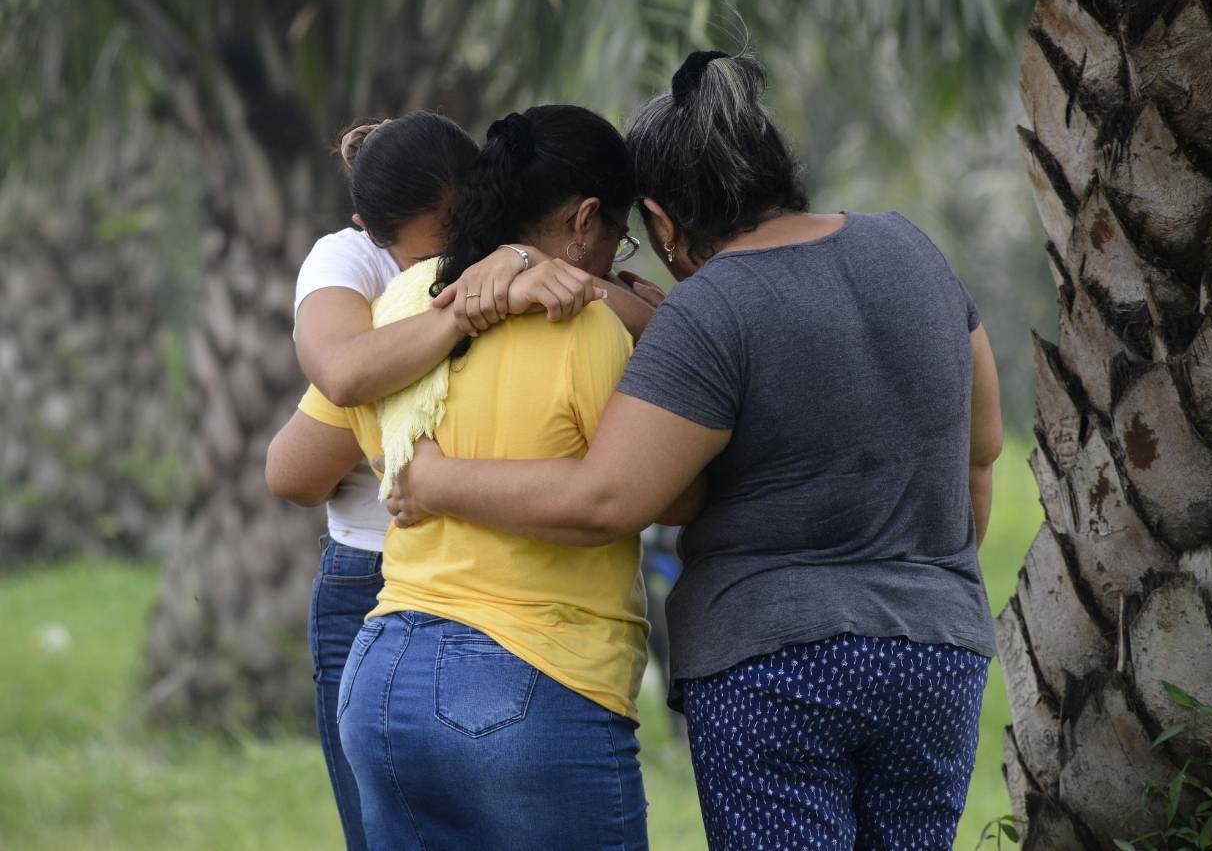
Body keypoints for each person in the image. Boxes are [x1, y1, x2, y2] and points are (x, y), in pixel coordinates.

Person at [387, 50, 1005, 851]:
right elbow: (981, 449)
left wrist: (434, 480)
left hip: (773, 664)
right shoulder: (913, 252)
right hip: (938, 653)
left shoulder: (712, 310)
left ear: (666, 221)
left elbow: (607, 500)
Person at [264, 111, 656, 850]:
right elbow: (643, 492)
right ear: (585, 219)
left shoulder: (395, 307)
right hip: (528, 666)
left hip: (385, 662)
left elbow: (294, 459)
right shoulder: (577, 326)